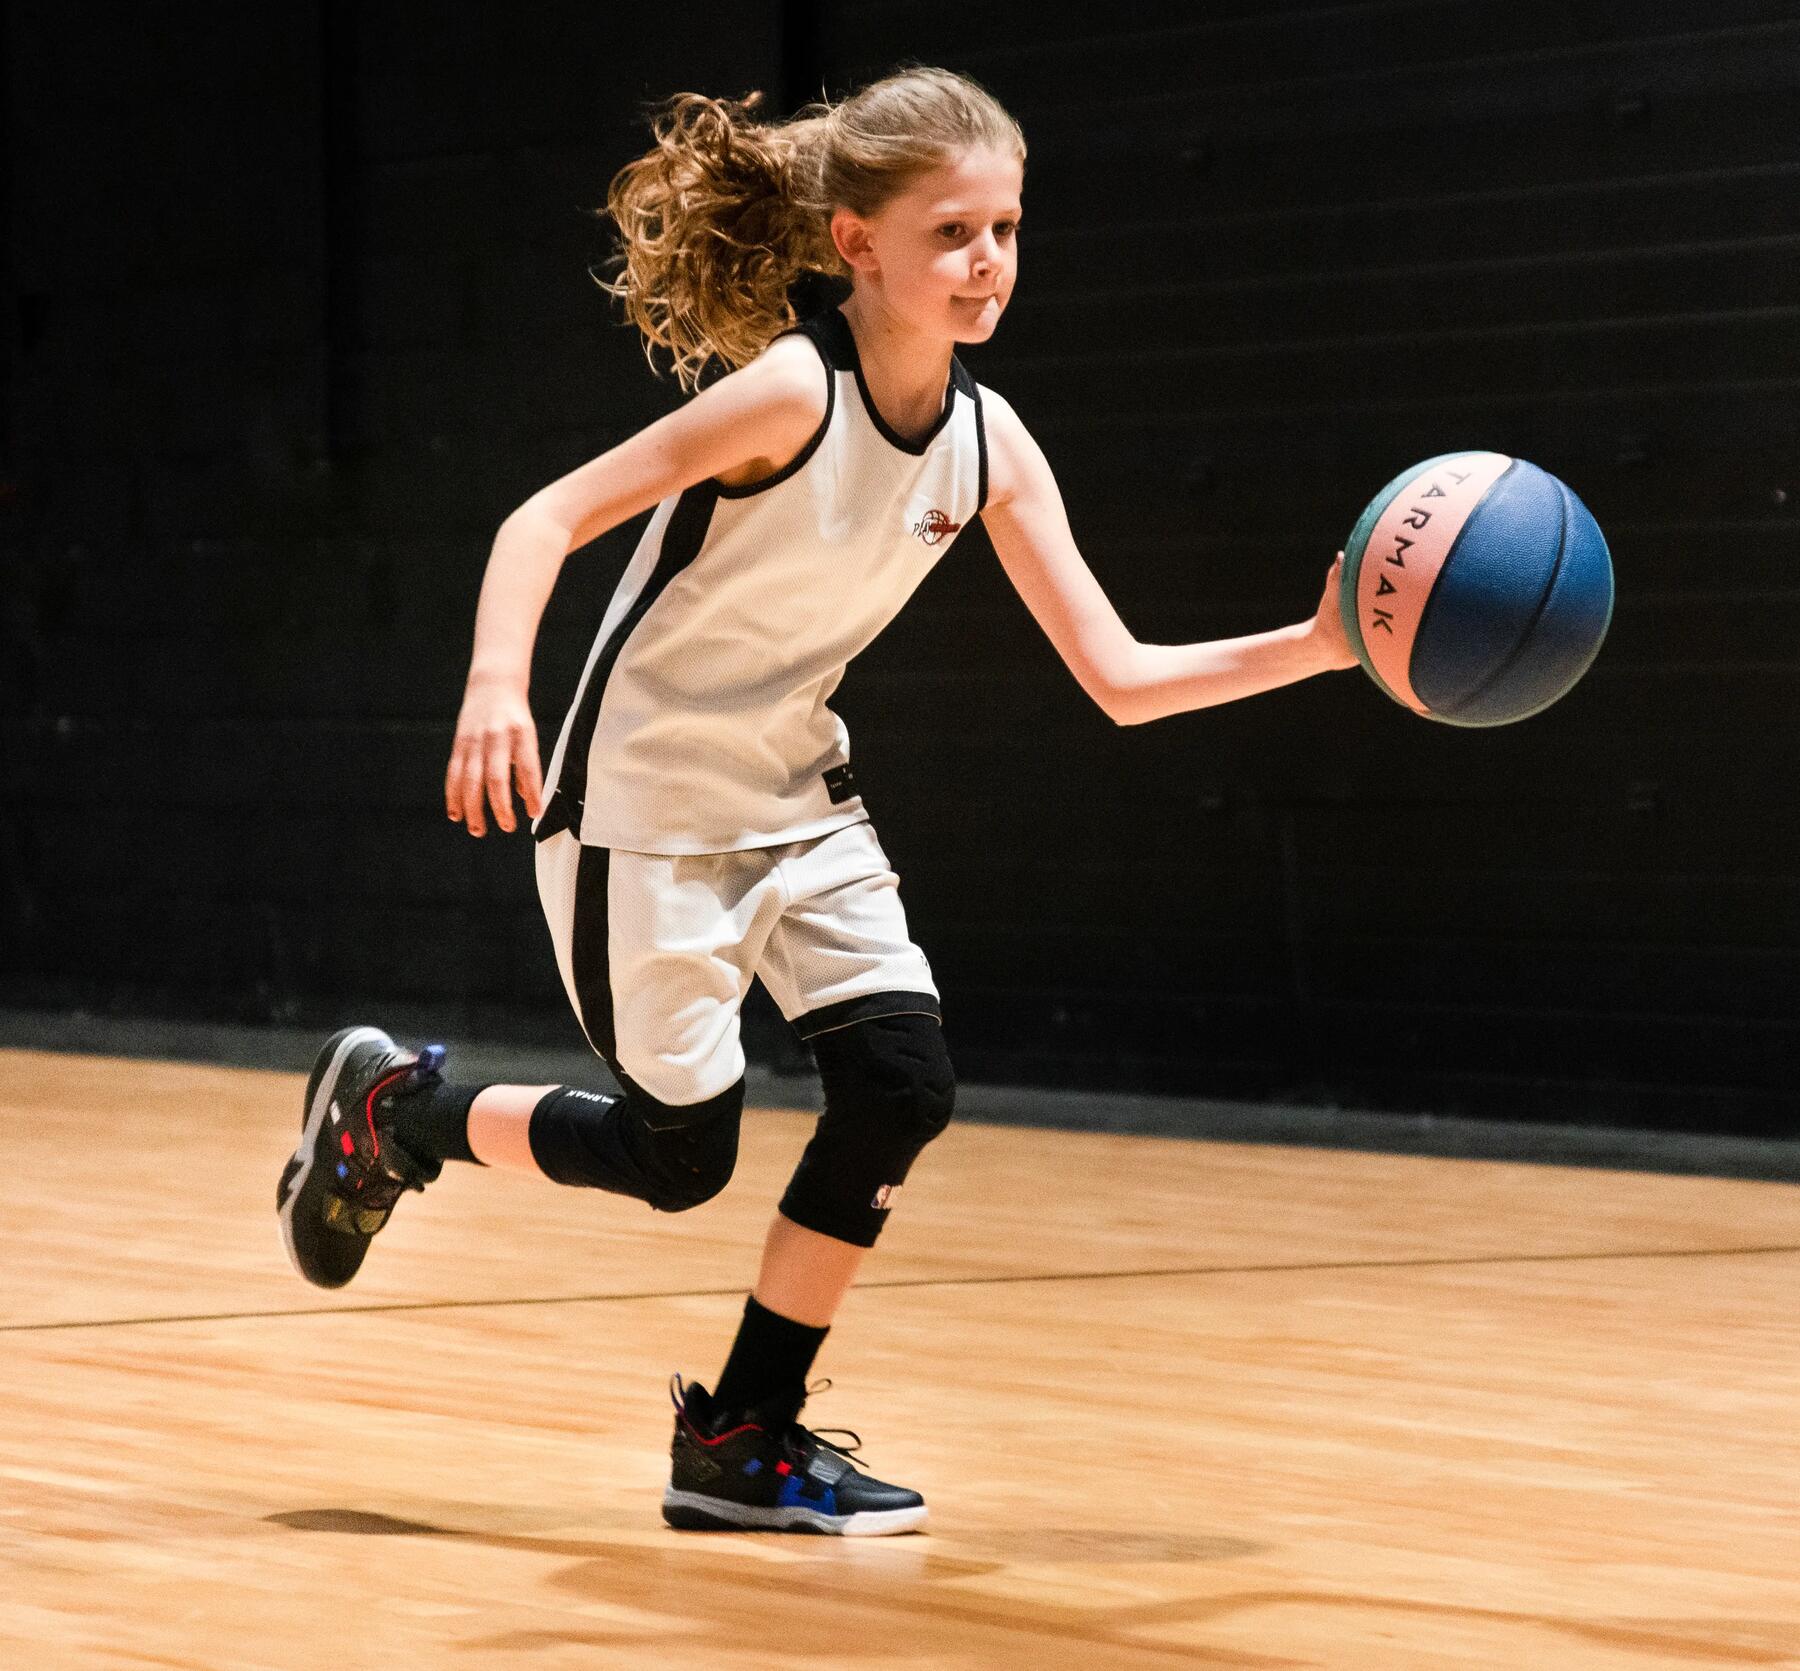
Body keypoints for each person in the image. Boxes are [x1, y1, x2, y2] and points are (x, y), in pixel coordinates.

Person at [276, 65, 1357, 1536]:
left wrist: (1322, 643)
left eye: (1011, 231)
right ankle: (404, 1115)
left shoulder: (989, 443)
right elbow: (546, 517)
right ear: (857, 243)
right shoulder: (793, 391)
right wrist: (492, 685)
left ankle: (739, 1435)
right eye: (955, 233)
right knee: (681, 1158)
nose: (991, 264)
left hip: (796, 800)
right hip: (638, 812)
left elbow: (1117, 677)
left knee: (904, 1086)